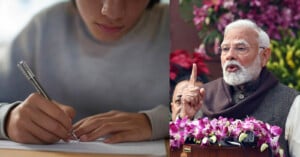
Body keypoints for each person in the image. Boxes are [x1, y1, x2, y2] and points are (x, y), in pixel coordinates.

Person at [0, 0, 169, 144]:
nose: (112, 13)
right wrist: (7, 119)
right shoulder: (43, 28)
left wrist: (159, 122)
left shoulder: (181, 28)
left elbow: (196, 135)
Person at [172, 19, 300, 157]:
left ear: (264, 56)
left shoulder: (291, 103)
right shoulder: (203, 95)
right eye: (225, 49)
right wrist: (186, 118)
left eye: (240, 48)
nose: (230, 55)